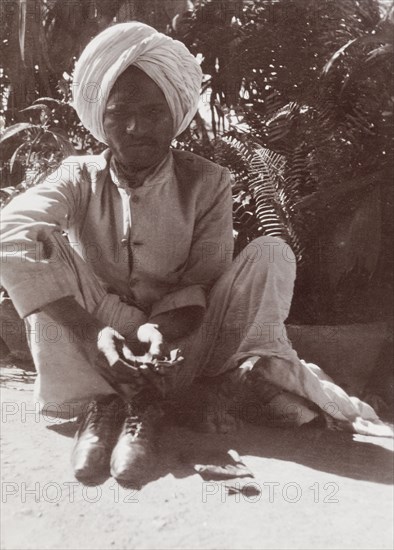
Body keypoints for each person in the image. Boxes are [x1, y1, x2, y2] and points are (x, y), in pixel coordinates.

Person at [0, 22, 390, 485]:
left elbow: (201, 281)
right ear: (100, 119)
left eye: (152, 112)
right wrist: (92, 333)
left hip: (181, 339)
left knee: (271, 252)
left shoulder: (208, 181)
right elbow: (9, 230)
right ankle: (102, 406)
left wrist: (156, 331)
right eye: (119, 113)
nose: (136, 127)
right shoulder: (77, 176)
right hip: (98, 332)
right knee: (35, 240)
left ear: (176, 114)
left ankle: (187, 393)